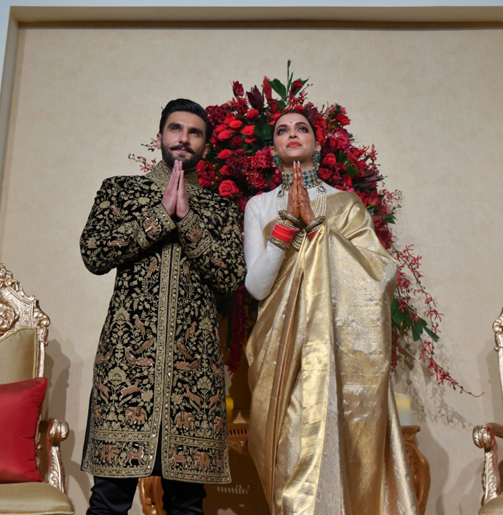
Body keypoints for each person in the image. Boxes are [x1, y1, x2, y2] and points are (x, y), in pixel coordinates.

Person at [243, 111, 419, 515]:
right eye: (282, 130)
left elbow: (379, 273)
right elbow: (256, 287)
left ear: (317, 145)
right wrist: (287, 226)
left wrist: (318, 229)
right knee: (290, 456)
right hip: (282, 350)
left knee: (343, 450)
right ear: (273, 148)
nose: (292, 134)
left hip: (339, 353)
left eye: (301, 128)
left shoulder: (347, 204)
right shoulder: (260, 205)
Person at [80, 99, 246, 515]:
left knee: (187, 505)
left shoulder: (220, 209)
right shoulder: (120, 191)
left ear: (205, 145)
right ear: (160, 136)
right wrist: (158, 216)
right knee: (108, 499)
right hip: (125, 370)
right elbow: (94, 253)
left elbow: (231, 276)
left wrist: (187, 219)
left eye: (194, 132)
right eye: (176, 129)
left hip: (194, 379)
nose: (183, 139)